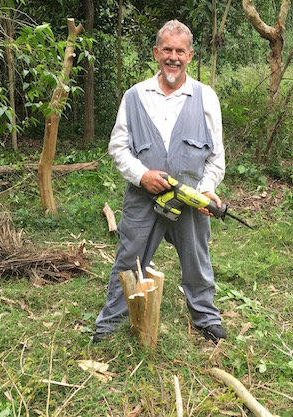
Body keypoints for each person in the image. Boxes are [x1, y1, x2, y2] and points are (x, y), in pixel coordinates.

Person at [93, 20, 226, 344]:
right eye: (167, 49)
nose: (173, 57)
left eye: (180, 51)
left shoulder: (206, 98)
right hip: (143, 198)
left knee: (197, 261)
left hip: (190, 200)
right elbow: (118, 147)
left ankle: (206, 319)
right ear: (156, 53)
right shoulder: (135, 96)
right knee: (128, 259)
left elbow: (216, 157)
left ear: (190, 56)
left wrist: (206, 189)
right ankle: (109, 324)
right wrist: (142, 176)